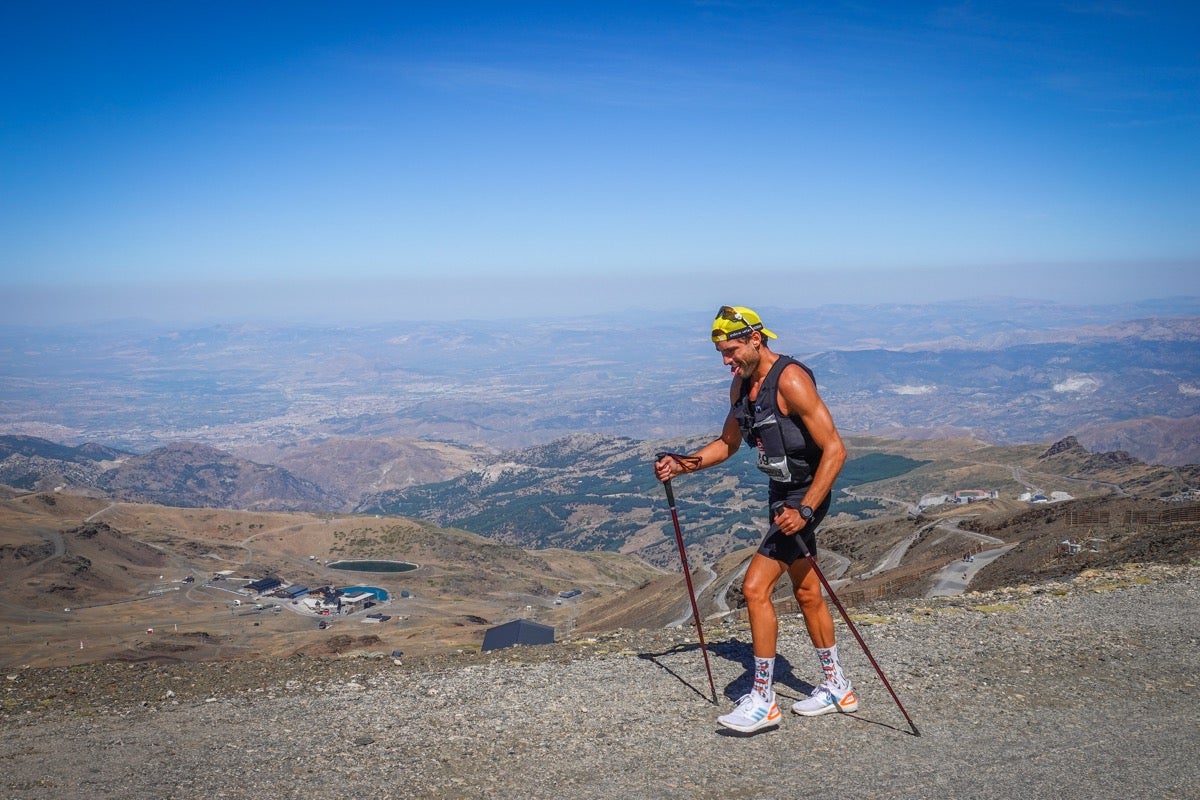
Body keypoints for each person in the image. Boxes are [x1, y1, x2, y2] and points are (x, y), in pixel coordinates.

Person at [654, 305, 853, 733]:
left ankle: (764, 701)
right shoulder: (742, 386)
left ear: (755, 340)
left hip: (804, 498)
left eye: (731, 351)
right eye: (722, 354)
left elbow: (835, 449)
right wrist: (682, 465)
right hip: (781, 495)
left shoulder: (791, 380)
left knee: (754, 588)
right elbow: (727, 443)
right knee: (806, 592)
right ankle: (838, 686)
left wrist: (805, 510)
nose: (727, 361)